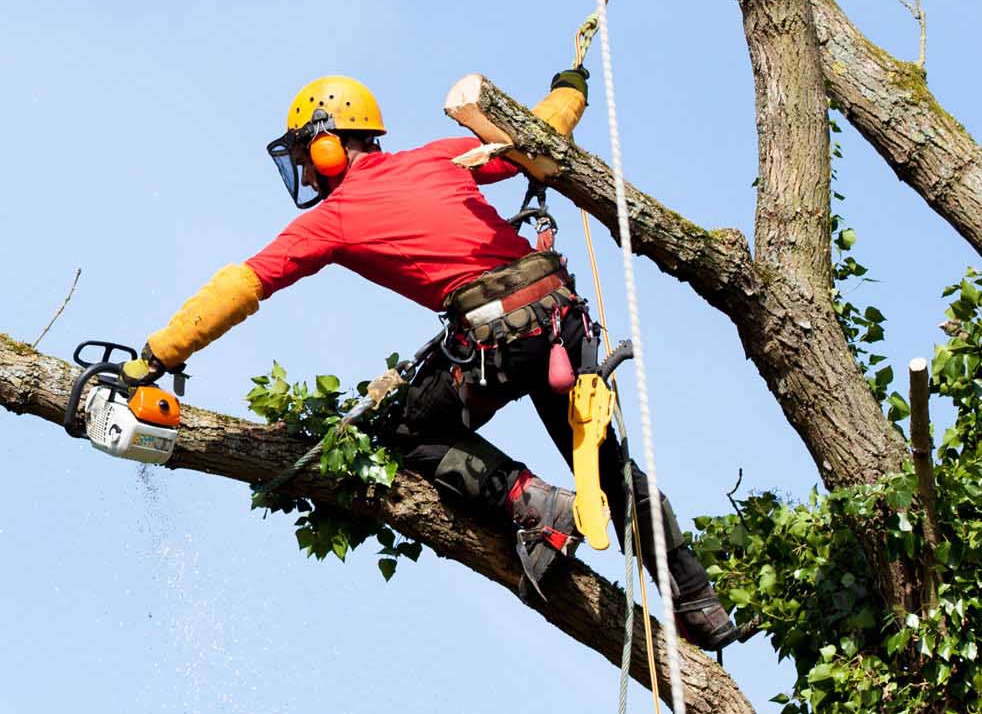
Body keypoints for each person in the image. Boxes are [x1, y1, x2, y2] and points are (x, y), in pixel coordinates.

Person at [119, 72, 751, 649]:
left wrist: (155, 356)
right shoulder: (440, 156)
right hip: (558, 322)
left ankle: (534, 502)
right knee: (607, 468)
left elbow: (241, 286)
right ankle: (700, 604)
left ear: (325, 145)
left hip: (496, 339)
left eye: (306, 160)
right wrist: (570, 87)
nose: (308, 178)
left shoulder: (334, 219)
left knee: (407, 434)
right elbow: (542, 130)